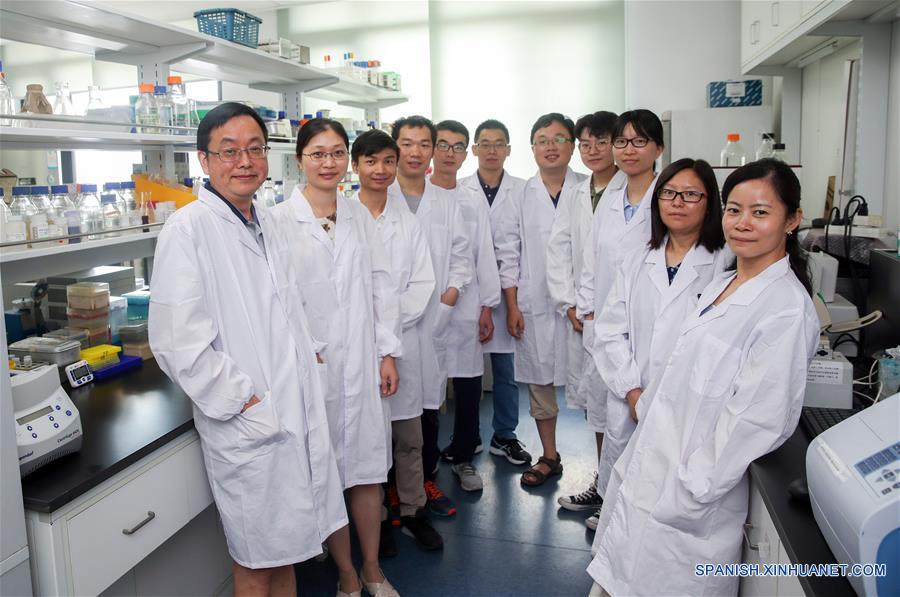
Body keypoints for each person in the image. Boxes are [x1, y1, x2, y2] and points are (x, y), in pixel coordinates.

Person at [587, 159, 820, 596]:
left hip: (688, 503)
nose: (743, 223)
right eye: (735, 210)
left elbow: (758, 420)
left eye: (760, 212)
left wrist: (689, 491)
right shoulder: (722, 285)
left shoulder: (784, 309)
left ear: (792, 221)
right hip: (651, 473)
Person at [149, 103, 346, 596]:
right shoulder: (188, 229)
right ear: (204, 160)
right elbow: (178, 343)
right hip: (247, 421)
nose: (244, 161)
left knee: (289, 553)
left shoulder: (268, 221)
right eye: (229, 151)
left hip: (289, 408)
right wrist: (245, 400)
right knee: (256, 562)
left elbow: (287, 308)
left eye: (255, 149)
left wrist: (310, 354)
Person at [268, 119, 402, 596]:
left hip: (364, 363)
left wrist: (387, 352)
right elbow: (281, 300)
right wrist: (305, 351)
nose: (329, 163)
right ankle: (345, 571)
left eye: (337, 153)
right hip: (314, 369)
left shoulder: (359, 216)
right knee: (326, 474)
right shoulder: (279, 221)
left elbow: (381, 286)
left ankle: (372, 568)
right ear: (300, 159)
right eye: (318, 153)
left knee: (366, 470)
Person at [590, 158, 730, 544]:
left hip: (690, 409)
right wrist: (633, 392)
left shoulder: (726, 263)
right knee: (620, 513)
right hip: (631, 399)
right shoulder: (638, 259)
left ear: (709, 202)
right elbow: (609, 330)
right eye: (668, 193)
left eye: (690, 194)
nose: (677, 202)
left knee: (666, 520)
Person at [350, 129, 442, 552]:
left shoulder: (407, 221)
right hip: (353, 349)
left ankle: (413, 510)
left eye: (388, 160)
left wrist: (385, 329)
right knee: (367, 442)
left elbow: (423, 282)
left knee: (409, 438)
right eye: (371, 161)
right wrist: (367, 332)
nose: (381, 169)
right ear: (356, 166)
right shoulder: (342, 218)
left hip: (401, 345)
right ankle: (377, 522)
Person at [575, 109, 663, 529]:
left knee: (643, 416)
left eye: (639, 141)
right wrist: (586, 305)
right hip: (607, 325)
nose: (628, 150)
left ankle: (634, 507)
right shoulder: (611, 195)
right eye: (622, 142)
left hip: (650, 325)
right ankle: (607, 496)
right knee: (609, 417)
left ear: (658, 149)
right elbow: (593, 255)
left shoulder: (667, 195)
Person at [495, 113, 588, 487]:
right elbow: (509, 252)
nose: (551, 146)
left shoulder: (588, 190)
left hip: (581, 306)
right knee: (539, 383)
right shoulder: (519, 196)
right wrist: (513, 306)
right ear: (532, 147)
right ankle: (549, 456)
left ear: (572, 146)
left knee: (591, 384)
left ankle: (606, 467)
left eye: (559, 139)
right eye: (543, 139)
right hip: (534, 304)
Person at [389, 115, 472, 517]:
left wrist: (449, 298)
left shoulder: (447, 202)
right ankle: (393, 490)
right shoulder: (375, 198)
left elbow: (461, 256)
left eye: (425, 144)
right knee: (390, 409)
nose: (417, 152)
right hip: (389, 325)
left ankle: (425, 482)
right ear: (394, 148)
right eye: (408, 143)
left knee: (428, 405)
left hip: (434, 320)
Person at [548, 111, 620, 514]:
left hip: (622, 316)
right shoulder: (577, 192)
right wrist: (569, 302)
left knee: (622, 405)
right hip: (584, 314)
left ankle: (618, 496)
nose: (593, 151)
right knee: (598, 406)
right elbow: (558, 248)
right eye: (586, 143)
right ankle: (604, 485)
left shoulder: (633, 190)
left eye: (602, 142)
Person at [429, 119, 502, 492]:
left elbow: (484, 254)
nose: (450, 153)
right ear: (430, 148)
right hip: (425, 306)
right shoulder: (414, 196)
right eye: (443, 145)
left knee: (469, 380)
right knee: (426, 384)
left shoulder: (472, 200)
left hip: (468, 302)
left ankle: (463, 457)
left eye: (458, 146)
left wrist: (488, 306)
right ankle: (422, 467)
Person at [459, 119, 532, 467]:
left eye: (498, 143)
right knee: (466, 373)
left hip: (508, 295)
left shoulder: (523, 191)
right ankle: (467, 436)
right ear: (474, 149)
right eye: (484, 143)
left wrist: (512, 303)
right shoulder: (457, 190)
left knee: (506, 371)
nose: (491, 150)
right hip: (466, 294)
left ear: (508, 150)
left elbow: (516, 249)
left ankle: (505, 435)